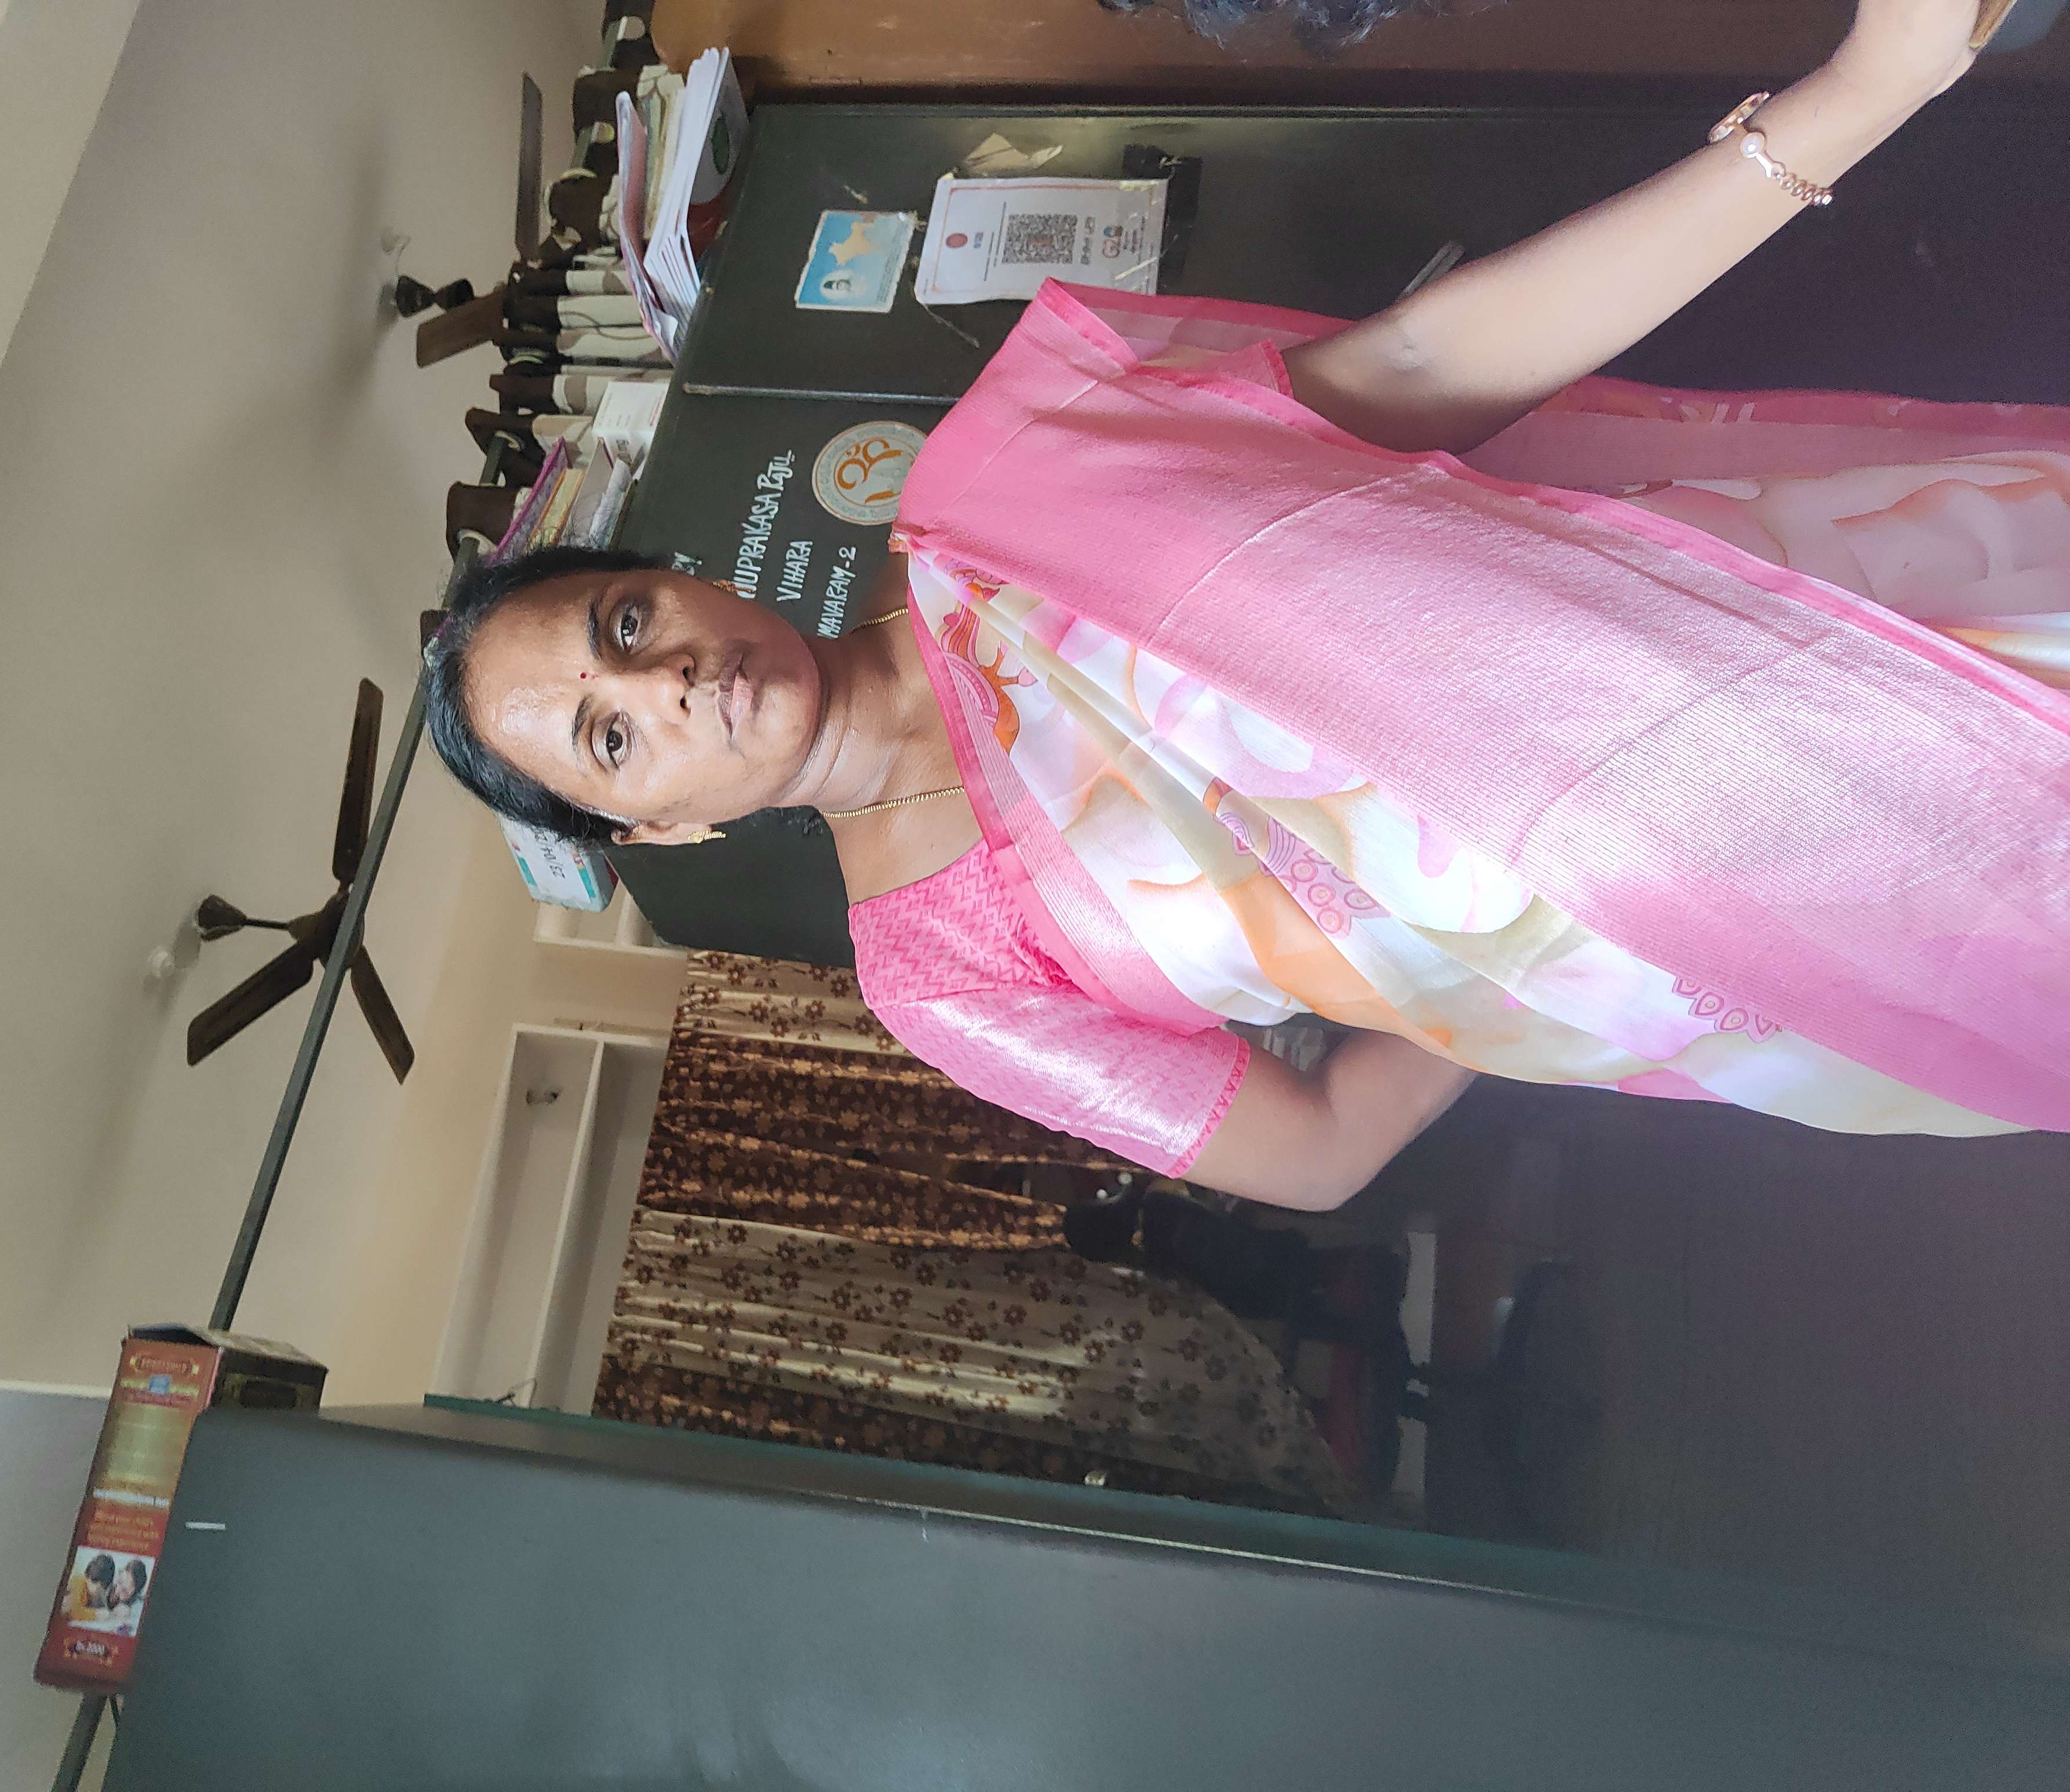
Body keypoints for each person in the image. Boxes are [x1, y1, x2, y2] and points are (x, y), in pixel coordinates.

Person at [429, 0, 2068, 1212]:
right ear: (659, 833)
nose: (664, 684)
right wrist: (1519, 937)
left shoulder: (1015, 490)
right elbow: (1320, 1149)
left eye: (622, 626)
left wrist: (1863, 95)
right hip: (1776, 952)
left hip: (1837, 630)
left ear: (677, 573)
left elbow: (1432, 362)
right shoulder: (946, 983)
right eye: (609, 739)